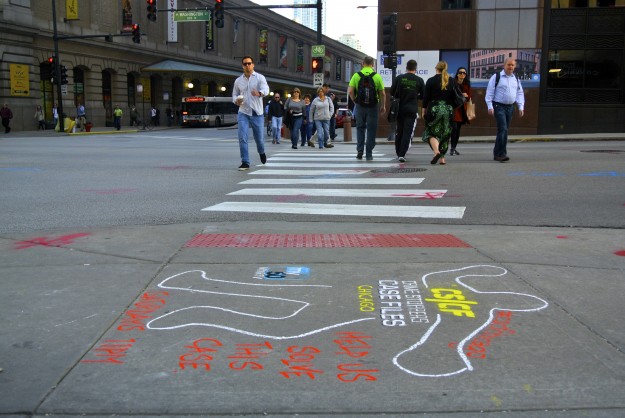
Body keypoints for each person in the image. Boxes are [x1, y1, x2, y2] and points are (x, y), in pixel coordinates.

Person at [232, 55, 269, 171]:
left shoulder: (259, 78)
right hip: (243, 112)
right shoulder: (238, 81)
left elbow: (266, 89)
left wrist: (259, 93)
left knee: (259, 140)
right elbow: (234, 94)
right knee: (242, 137)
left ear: (253, 65)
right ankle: (245, 162)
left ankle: (261, 152)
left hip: (257, 113)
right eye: (245, 64)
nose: (247, 65)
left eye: (249, 63)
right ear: (242, 66)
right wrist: (236, 100)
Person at [485, 58, 525, 162]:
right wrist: (490, 106)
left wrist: (520, 107)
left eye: (512, 65)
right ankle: (501, 154)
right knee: (503, 129)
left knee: (504, 130)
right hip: (499, 106)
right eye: (509, 65)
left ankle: (497, 153)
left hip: (510, 107)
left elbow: (519, 93)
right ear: (504, 65)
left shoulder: (516, 79)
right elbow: (490, 91)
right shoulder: (497, 77)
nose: (511, 67)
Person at [348, 56, 386, 161]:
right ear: (372, 64)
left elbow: (350, 91)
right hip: (373, 107)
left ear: (362, 63)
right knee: (371, 130)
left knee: (360, 128)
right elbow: (382, 93)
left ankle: (360, 150)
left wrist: (355, 100)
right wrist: (383, 106)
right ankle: (369, 153)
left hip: (360, 106)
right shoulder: (377, 76)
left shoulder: (356, 75)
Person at [421, 60, 457, 166]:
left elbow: (426, 97)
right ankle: (442, 159)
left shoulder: (431, 81)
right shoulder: (451, 80)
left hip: (434, 109)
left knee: (431, 132)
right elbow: (455, 97)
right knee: (445, 134)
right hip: (448, 110)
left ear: (436, 68)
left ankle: (436, 152)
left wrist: (423, 110)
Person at [390, 59, 424, 162]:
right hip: (412, 109)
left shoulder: (399, 78)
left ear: (406, 67)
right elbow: (423, 96)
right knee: (407, 132)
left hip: (399, 108)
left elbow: (392, 92)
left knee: (399, 130)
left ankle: (398, 151)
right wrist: (415, 95)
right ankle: (402, 154)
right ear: (415, 68)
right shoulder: (419, 80)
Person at [450, 66, 472, 156]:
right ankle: (451, 148)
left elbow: (469, 97)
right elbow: (450, 94)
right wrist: (460, 94)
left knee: (458, 130)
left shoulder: (467, 84)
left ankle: (453, 148)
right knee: (454, 128)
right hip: (454, 108)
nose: (462, 74)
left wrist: (466, 96)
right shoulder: (453, 82)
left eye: (464, 73)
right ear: (457, 74)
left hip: (462, 109)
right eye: (460, 73)